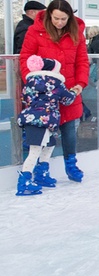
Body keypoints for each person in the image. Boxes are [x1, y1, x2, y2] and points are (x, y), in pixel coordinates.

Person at [19, 0, 89, 182]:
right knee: (44, 133)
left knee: (69, 130)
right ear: (49, 15)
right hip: (43, 93)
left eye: (63, 19)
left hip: (69, 89)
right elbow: (25, 58)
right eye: (56, 18)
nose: (59, 22)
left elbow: (82, 61)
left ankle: (71, 164)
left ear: (70, 18)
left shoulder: (76, 33)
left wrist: (80, 84)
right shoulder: (35, 31)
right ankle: (41, 169)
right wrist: (33, 82)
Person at [15, 56, 78, 195]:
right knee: (35, 150)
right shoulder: (56, 83)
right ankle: (24, 181)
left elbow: (24, 98)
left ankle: (41, 173)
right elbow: (67, 99)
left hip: (32, 119)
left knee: (50, 143)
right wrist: (75, 91)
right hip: (43, 121)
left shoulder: (30, 82)